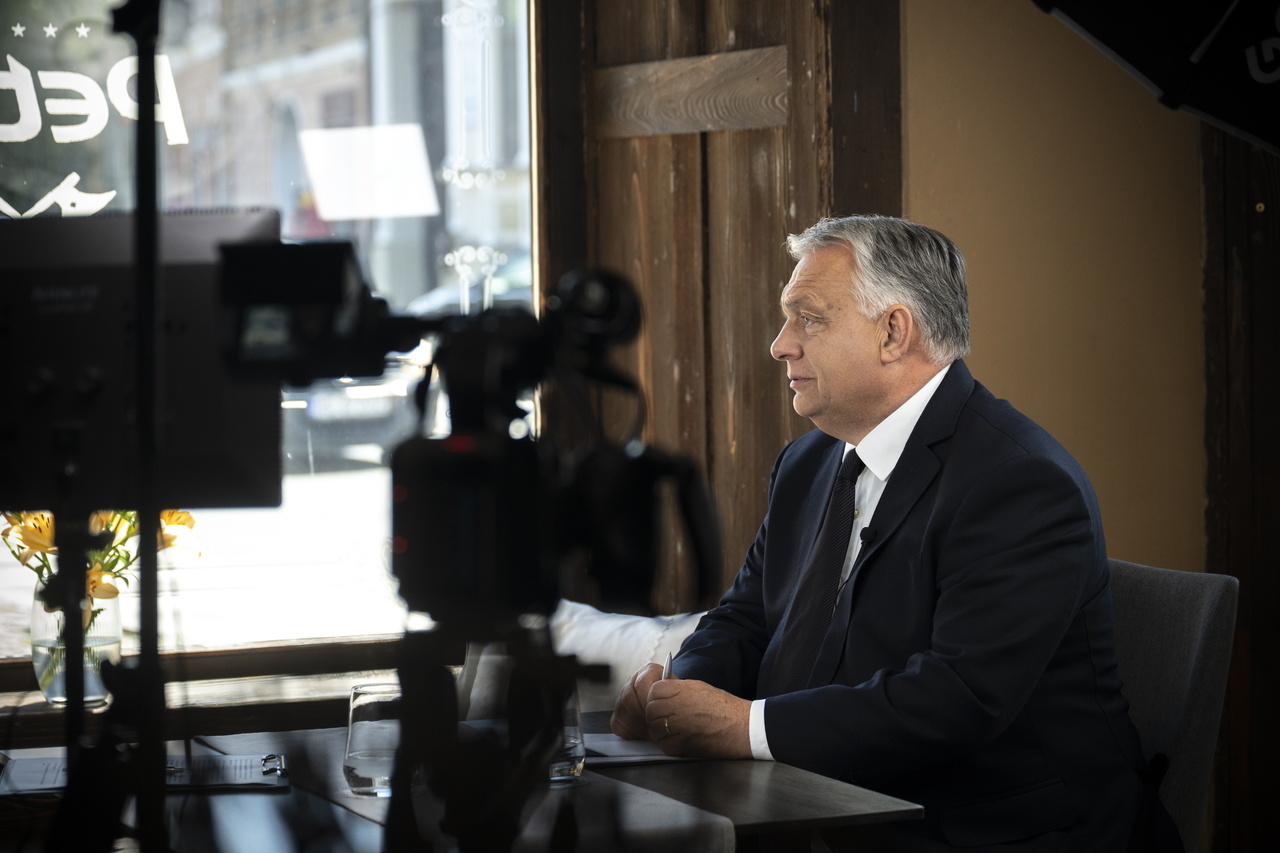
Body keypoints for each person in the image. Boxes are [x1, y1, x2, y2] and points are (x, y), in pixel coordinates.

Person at [610, 216, 1179, 851]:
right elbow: (744, 619)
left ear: (893, 332)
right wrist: (678, 696)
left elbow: (959, 698)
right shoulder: (807, 462)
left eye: (809, 319)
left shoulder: (1021, 482)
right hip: (824, 797)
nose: (780, 345)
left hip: (987, 829)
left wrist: (745, 727)